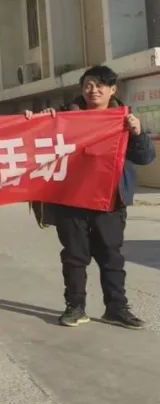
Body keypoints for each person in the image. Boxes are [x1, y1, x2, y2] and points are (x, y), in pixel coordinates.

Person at [33, 66, 155, 329]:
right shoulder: (63, 117)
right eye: (88, 84)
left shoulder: (124, 119)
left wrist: (137, 133)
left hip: (110, 201)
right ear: (81, 89)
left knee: (111, 256)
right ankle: (75, 307)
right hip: (71, 199)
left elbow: (145, 158)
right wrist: (38, 121)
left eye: (100, 85)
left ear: (112, 90)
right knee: (74, 256)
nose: (94, 90)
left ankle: (116, 308)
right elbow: (37, 144)